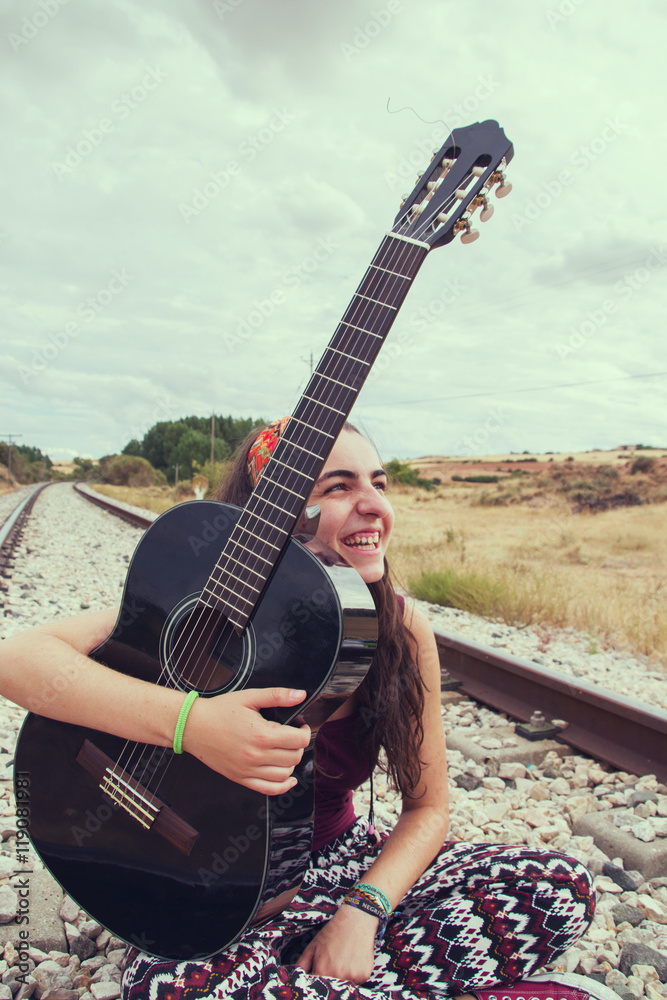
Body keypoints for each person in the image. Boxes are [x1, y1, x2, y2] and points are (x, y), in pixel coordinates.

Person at [0, 420, 612, 1000]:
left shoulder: (400, 629)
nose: (374, 505)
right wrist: (192, 724)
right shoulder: (204, 609)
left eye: (379, 482)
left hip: (345, 863)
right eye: (340, 487)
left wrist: (363, 913)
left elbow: (428, 810)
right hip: (205, 882)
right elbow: (16, 659)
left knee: (562, 887)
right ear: (271, 515)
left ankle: (316, 973)